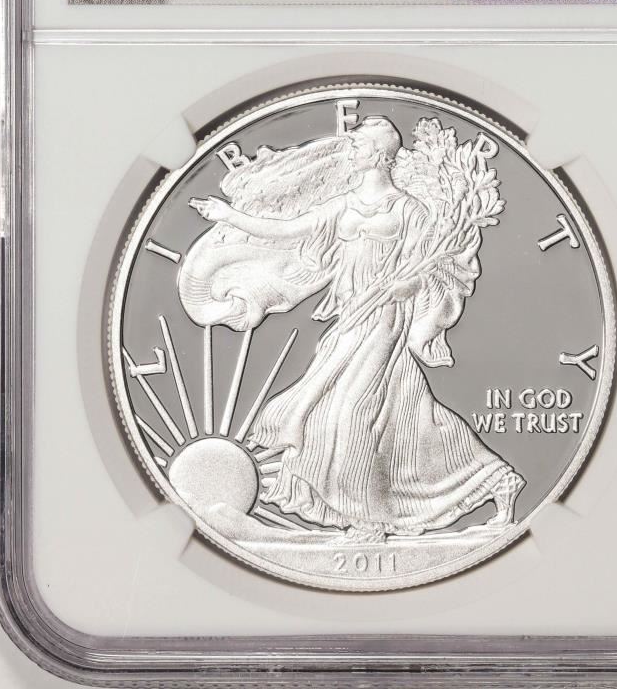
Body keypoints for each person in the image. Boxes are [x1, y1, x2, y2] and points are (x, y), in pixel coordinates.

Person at [188, 116, 525, 542]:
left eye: (359, 145)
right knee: (401, 412)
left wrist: (404, 285)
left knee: (352, 411)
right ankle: (496, 480)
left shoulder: (408, 210)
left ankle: (369, 519)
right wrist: (229, 215)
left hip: (385, 317)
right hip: (351, 316)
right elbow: (286, 231)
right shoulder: (342, 205)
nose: (351, 151)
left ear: (380, 155)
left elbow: (426, 270)